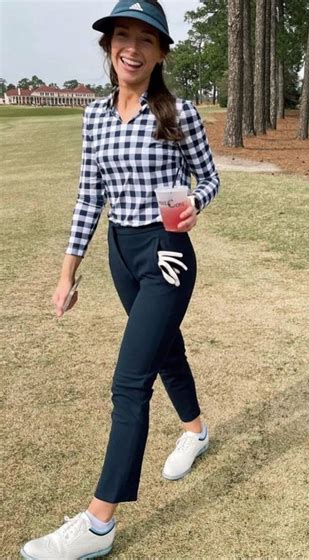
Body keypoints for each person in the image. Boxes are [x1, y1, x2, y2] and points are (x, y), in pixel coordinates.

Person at [20, 1, 220, 558]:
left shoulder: (179, 113)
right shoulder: (94, 116)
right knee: (164, 349)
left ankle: (99, 524)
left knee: (129, 382)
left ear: (159, 53)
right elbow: (90, 197)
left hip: (167, 253)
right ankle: (197, 431)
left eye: (145, 39)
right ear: (109, 47)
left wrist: (193, 205)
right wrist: (68, 273)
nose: (131, 47)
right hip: (120, 253)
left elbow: (209, 178)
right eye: (121, 36)